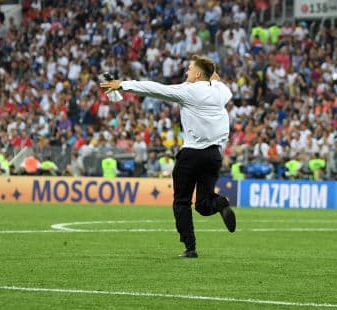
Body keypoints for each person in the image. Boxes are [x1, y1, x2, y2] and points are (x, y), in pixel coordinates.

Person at [101, 55, 236, 258]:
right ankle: (221, 204)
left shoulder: (187, 91)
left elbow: (155, 88)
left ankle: (190, 248)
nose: (186, 72)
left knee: (181, 201)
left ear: (198, 74)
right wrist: (214, 80)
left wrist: (123, 85)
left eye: (190, 69)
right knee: (203, 204)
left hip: (191, 154)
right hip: (213, 155)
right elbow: (223, 87)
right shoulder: (221, 92)